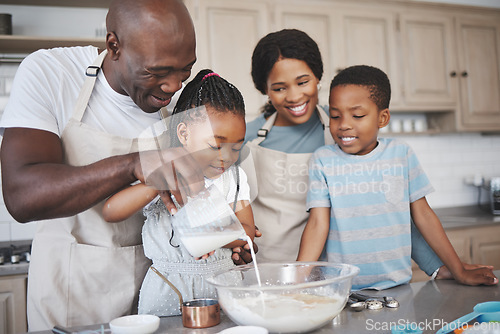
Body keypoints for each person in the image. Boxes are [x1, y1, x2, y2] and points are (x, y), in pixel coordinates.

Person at [0, 0, 247, 331]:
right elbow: (22, 195)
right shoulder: (52, 74)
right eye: (157, 72)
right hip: (76, 293)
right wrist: (134, 165)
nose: (173, 86)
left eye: (184, 70)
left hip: (160, 292)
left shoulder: (183, 104)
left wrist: (229, 237)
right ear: (113, 45)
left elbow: (203, 192)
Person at [296, 65, 498, 289]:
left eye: (358, 115)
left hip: (397, 289)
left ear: (382, 118)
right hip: (341, 290)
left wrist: (457, 269)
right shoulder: (323, 160)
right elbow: (317, 224)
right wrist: (296, 282)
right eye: (335, 115)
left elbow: (422, 217)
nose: (344, 124)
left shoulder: (401, 154)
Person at [102, 69, 255, 316]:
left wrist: (210, 234)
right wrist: (153, 185)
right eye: (216, 145)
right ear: (184, 133)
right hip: (168, 287)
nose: (226, 157)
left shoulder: (234, 178)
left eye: (236, 147)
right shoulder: (160, 170)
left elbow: (248, 232)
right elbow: (111, 211)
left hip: (224, 285)